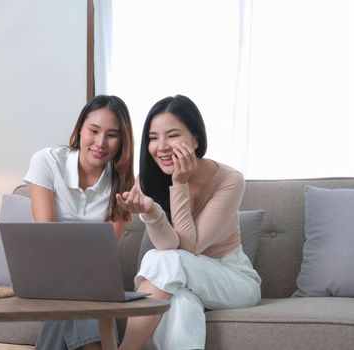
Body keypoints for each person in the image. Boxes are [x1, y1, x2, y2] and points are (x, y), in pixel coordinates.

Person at [116, 95, 262, 350]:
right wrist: (151, 212)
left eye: (172, 135)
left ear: (195, 138)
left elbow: (188, 249)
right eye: (153, 138)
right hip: (179, 276)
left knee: (159, 259)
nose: (161, 147)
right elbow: (170, 245)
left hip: (233, 278)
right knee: (181, 302)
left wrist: (180, 183)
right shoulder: (147, 180)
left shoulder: (229, 179)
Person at [24, 95, 135, 350]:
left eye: (112, 135)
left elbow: (104, 250)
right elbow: (46, 236)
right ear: (80, 129)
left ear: (123, 141)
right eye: (93, 131)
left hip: (93, 278)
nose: (100, 143)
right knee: (82, 291)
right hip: (48, 272)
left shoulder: (124, 183)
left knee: (81, 291)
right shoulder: (47, 162)